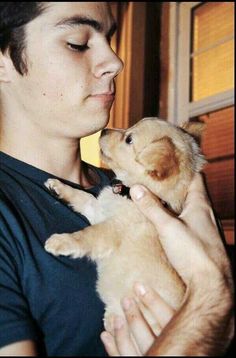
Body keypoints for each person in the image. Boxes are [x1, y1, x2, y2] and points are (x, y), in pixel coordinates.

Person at [0, 2, 233, 356]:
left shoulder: (147, 191)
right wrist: (211, 300)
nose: (116, 61)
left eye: (109, 37)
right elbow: (210, 305)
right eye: (78, 42)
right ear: (3, 62)